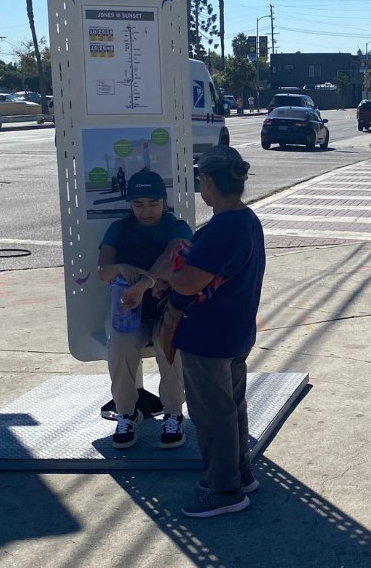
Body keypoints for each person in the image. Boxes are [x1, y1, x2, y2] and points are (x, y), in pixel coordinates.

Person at [158, 145, 265, 518]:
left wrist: (168, 275)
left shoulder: (223, 228)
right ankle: (239, 473)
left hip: (208, 337)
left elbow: (188, 283)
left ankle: (225, 490)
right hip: (234, 332)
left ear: (207, 182)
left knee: (211, 413)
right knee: (231, 407)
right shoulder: (247, 219)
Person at [97, 169, 192, 450]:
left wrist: (145, 283)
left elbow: (171, 255)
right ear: (130, 204)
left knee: (169, 346)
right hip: (127, 312)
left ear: (164, 201)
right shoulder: (119, 227)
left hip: (168, 309)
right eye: (138, 205)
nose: (146, 211)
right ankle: (127, 413)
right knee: (121, 344)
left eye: (153, 204)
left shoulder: (177, 227)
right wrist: (120, 269)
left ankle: (173, 413)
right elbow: (103, 270)